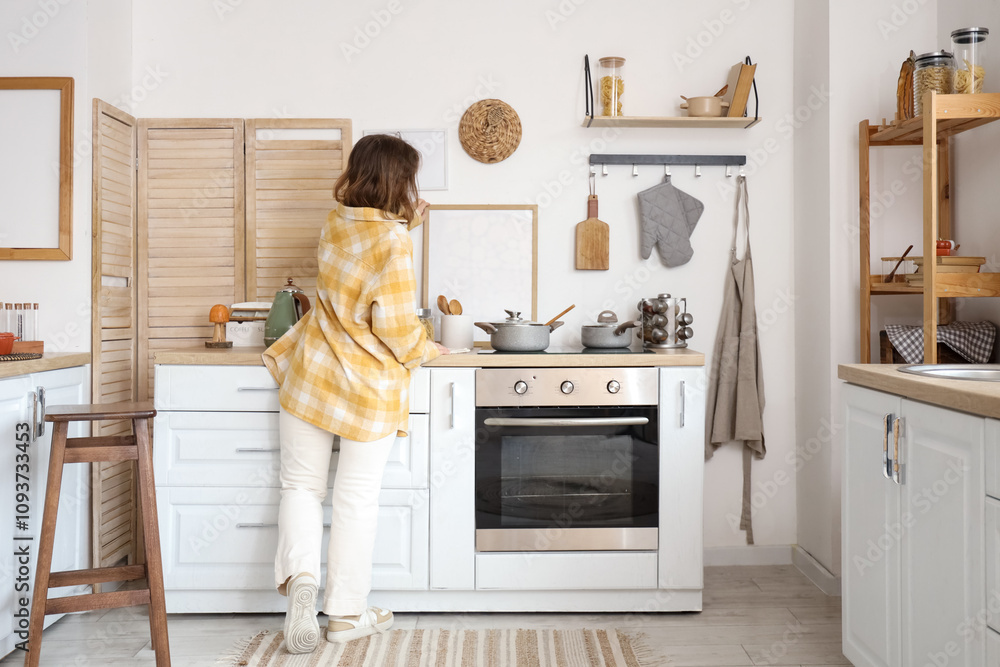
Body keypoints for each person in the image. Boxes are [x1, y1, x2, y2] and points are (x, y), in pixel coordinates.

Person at [262, 134, 447, 654]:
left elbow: (358, 265)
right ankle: (345, 614)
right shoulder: (394, 242)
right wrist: (429, 349)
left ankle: (301, 581)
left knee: (300, 487)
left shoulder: (334, 222)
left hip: (314, 376)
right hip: (367, 388)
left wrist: (402, 225)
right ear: (399, 181)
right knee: (355, 499)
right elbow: (393, 326)